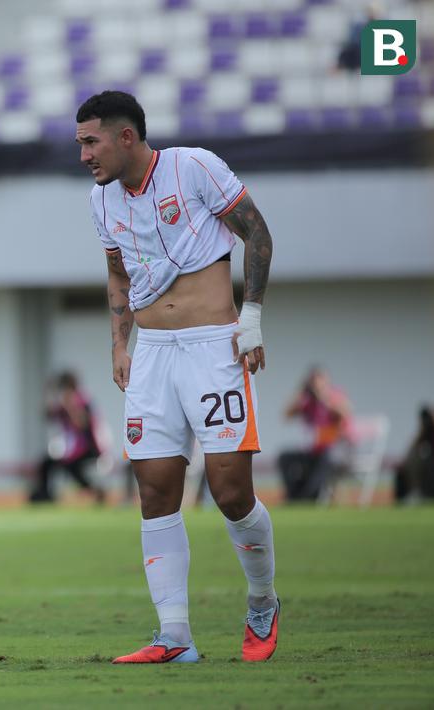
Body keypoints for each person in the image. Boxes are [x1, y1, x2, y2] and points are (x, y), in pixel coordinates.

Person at [76, 90, 279, 663]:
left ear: (126, 137)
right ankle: (175, 637)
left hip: (214, 348)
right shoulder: (101, 201)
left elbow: (257, 234)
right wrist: (121, 344)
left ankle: (262, 601)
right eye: (80, 144)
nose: (84, 156)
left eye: (91, 142)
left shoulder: (194, 167)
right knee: (155, 490)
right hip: (153, 355)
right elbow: (117, 273)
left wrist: (253, 318)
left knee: (230, 490)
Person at [280, 367, 353, 501]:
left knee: (325, 458)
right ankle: (293, 496)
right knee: (284, 457)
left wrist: (323, 397)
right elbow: (287, 414)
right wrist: (301, 393)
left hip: (336, 450)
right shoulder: (308, 401)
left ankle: (309, 497)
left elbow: (345, 413)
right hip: (314, 450)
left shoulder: (334, 395)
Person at [30, 372, 103, 504]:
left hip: (89, 447)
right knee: (46, 463)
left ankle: (94, 491)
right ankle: (45, 494)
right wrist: (48, 393)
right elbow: (47, 415)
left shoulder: (83, 400)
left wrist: (69, 405)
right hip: (72, 449)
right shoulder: (64, 402)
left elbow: (81, 424)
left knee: (71, 466)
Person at [395, 406, 434, 502]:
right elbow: (413, 446)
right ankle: (416, 491)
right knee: (414, 459)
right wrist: (423, 427)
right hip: (431, 463)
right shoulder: (428, 431)